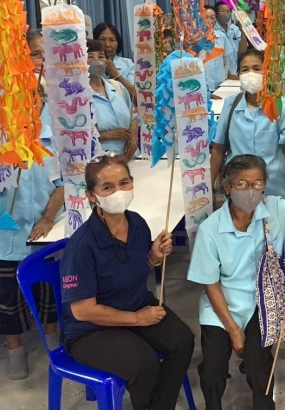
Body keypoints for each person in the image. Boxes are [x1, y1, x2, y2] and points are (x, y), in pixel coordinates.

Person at [60, 153, 194, 410]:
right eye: (107, 187)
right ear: (91, 195)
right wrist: (136, 319)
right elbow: (83, 311)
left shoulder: (138, 223)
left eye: (124, 183)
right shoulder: (82, 247)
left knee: (182, 340)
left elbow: (131, 268)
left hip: (134, 303)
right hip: (91, 330)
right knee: (144, 366)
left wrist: (153, 257)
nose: (118, 192)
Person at [188, 154, 285, 410]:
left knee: (259, 369)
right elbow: (210, 284)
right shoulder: (211, 229)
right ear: (227, 187)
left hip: (262, 303)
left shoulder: (274, 209)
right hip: (221, 305)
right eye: (242, 184)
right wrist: (232, 329)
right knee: (212, 371)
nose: (251, 191)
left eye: (258, 183)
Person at [0, 30, 63, 380]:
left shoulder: (52, 133)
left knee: (48, 293)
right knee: (7, 299)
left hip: (46, 233)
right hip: (5, 238)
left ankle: (52, 341)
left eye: (36, 95)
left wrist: (48, 218)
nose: (32, 100)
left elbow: (64, 185)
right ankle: (15, 350)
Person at [210, 50, 285, 202]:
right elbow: (218, 149)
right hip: (238, 186)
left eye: (257, 69)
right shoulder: (231, 104)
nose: (251, 74)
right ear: (238, 75)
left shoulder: (281, 105)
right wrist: (208, 188)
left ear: (267, 72)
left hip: (276, 188)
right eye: (245, 69)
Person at [87, 39, 138, 159]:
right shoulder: (79, 95)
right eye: (90, 57)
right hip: (99, 161)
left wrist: (134, 138)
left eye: (101, 56)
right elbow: (75, 135)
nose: (97, 61)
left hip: (129, 158)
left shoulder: (117, 86)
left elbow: (133, 115)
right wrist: (107, 135)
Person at [93, 22, 136, 99]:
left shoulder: (128, 64)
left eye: (112, 40)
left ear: (118, 43)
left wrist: (115, 74)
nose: (107, 45)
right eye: (102, 39)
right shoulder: (89, 64)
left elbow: (136, 96)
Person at [203, 6, 237, 92]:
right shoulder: (196, 38)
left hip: (220, 83)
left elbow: (226, 59)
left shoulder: (221, 36)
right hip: (204, 84)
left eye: (212, 17)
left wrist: (224, 76)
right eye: (206, 17)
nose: (209, 20)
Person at [212, 1, 245, 66]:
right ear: (216, 14)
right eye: (222, 11)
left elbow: (243, 50)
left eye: (228, 11)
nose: (226, 13)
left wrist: (243, 30)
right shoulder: (213, 30)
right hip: (220, 68)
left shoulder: (235, 29)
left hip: (234, 67)